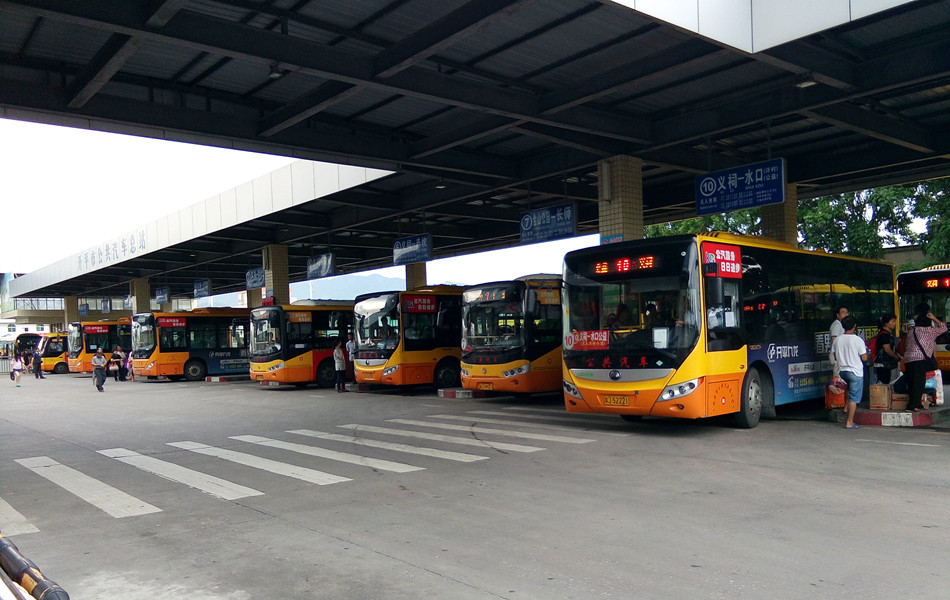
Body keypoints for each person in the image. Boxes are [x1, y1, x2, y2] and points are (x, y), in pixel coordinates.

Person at [903, 303, 947, 411]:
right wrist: (934, 318)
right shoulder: (930, 331)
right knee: (918, 383)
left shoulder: (912, 331)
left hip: (908, 359)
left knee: (911, 382)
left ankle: (915, 404)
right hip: (919, 359)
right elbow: (943, 328)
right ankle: (913, 405)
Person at [831, 315, 867, 429]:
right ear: (855, 326)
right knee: (854, 398)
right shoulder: (858, 340)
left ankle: (845, 408)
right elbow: (864, 358)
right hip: (855, 372)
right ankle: (849, 422)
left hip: (842, 371)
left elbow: (835, 356)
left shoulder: (837, 340)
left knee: (848, 389)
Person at [872, 313, 900, 384]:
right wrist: (896, 357)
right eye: (892, 321)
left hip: (885, 363)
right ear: (886, 323)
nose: (894, 324)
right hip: (882, 364)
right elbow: (887, 349)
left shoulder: (886, 334)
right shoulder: (884, 335)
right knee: (883, 383)